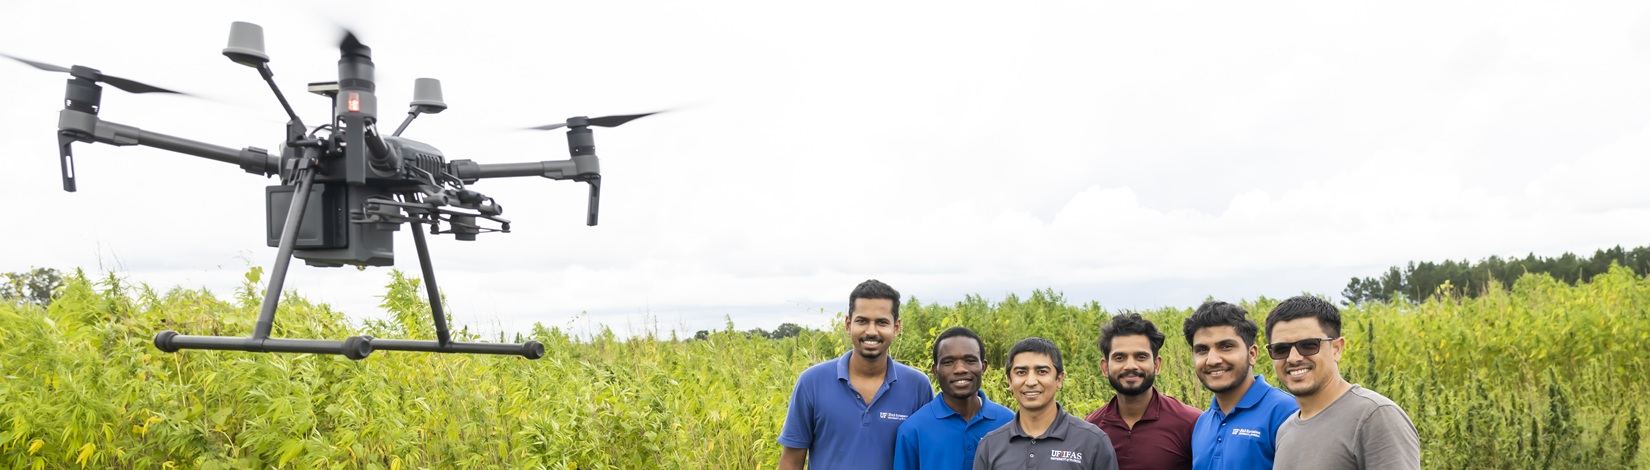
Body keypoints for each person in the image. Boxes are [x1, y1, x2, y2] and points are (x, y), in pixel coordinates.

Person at [778, 279, 934, 470]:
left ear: (896, 328)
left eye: (882, 322)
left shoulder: (918, 386)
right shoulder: (812, 383)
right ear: (848, 324)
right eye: (862, 321)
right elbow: (791, 461)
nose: (871, 331)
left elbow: (926, 457)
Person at [1264, 296, 1420, 469]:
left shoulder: (1374, 417)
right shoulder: (1285, 430)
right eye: (1281, 349)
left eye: (1308, 345)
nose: (1293, 358)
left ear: (1337, 349)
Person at [1182, 301, 1298, 470]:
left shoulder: (1285, 412)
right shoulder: (1202, 423)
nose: (1212, 360)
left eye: (1226, 347)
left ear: (1252, 354)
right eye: (1202, 350)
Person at [974, 337, 1119, 470]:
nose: (1031, 382)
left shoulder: (1092, 441)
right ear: (1009, 381)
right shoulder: (990, 445)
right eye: (1021, 372)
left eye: (1042, 371)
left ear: (1059, 379)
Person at [1085, 312, 1202, 470]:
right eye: (1120, 358)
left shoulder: (1191, 423)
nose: (1130, 366)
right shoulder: (1091, 428)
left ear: (1157, 365)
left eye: (1141, 357)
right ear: (1105, 367)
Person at [894, 327, 1016, 470]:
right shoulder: (913, 430)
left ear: (983, 367)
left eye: (970, 360)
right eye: (948, 362)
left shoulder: (1009, 422)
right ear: (936, 371)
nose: (960, 369)